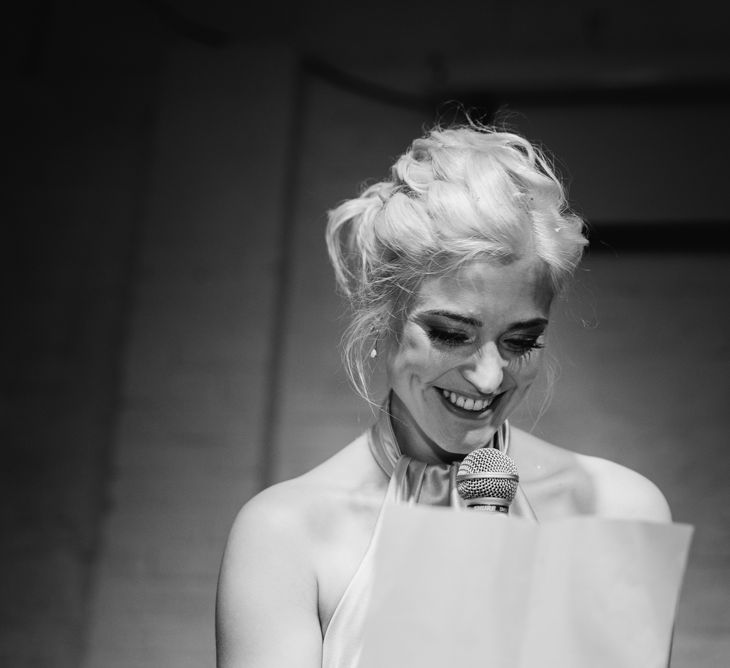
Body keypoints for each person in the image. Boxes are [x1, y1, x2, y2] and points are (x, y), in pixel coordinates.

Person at [215, 123, 671, 668]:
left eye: (520, 341)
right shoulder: (285, 534)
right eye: (452, 334)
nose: (487, 378)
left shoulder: (619, 510)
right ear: (383, 319)